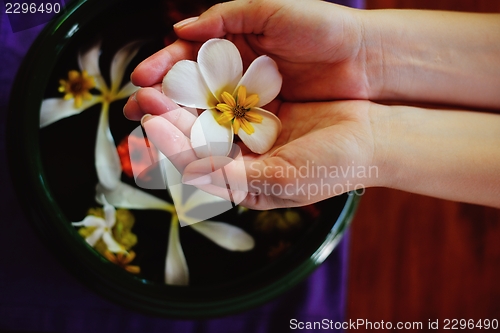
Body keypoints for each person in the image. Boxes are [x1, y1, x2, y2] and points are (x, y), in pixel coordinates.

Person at [124, 0, 500, 209]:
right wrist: (365, 48)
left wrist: (375, 147)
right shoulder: (258, 84)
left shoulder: (262, 97)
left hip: (235, 111)